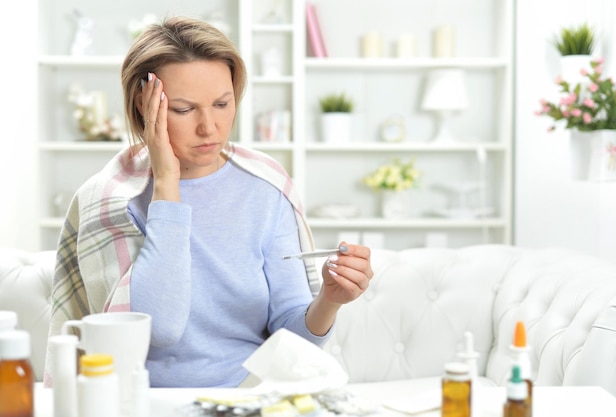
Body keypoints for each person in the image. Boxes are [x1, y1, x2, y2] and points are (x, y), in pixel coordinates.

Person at [45, 16, 373, 388]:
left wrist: (330, 300)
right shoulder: (107, 200)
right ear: (143, 104)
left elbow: (291, 340)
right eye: (184, 109)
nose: (209, 127)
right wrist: (167, 182)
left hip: (245, 397)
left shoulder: (266, 188)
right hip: (135, 401)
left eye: (222, 103)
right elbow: (159, 329)